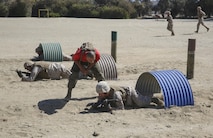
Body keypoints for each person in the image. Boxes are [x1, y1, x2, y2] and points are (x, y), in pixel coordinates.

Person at [89, 81, 164, 111]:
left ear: (105, 92)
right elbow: (99, 102)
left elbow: (121, 108)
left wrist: (110, 108)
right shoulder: (105, 94)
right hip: (126, 98)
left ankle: (154, 99)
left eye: (100, 93)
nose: (99, 95)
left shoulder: (116, 94)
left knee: (141, 103)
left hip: (130, 93)